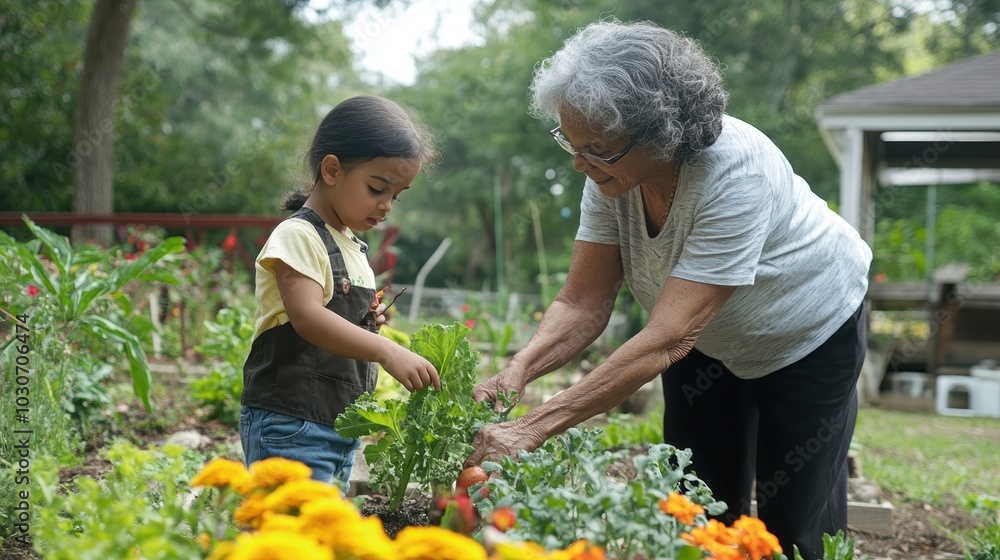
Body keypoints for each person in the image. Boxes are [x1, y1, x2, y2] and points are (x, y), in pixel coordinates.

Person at [466, 20, 872, 558]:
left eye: (597, 148)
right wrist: (519, 368)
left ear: (661, 133)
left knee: (792, 524)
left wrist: (534, 427)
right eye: (570, 140)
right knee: (695, 504)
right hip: (701, 339)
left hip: (806, 330)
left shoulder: (736, 173)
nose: (578, 162)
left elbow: (667, 337)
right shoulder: (612, 177)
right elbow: (582, 303)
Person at [241, 95, 441, 491]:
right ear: (332, 169)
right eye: (377, 188)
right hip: (290, 422)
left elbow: (338, 319)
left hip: (337, 425)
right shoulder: (298, 235)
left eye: (395, 196)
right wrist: (387, 350)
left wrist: (369, 322)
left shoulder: (353, 247)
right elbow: (308, 317)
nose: (386, 206)